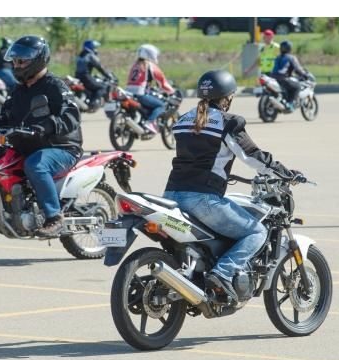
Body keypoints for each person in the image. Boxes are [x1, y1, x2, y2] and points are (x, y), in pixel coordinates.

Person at [163, 70, 302, 303]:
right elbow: (252, 156)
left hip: (171, 194)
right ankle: (222, 273)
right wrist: (284, 173)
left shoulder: (183, 119)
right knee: (257, 232)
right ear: (226, 97)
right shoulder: (228, 123)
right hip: (203, 199)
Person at [0, 35, 83, 238]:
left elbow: (71, 116)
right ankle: (14, 213)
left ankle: (54, 217)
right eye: (15, 61)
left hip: (62, 147)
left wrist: (45, 126)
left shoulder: (55, 86)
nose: (17, 65)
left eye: (22, 60)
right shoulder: (18, 91)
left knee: (35, 165)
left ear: (38, 59)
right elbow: (5, 118)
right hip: (29, 146)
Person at [125, 43, 175, 135]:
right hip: (140, 93)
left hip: (128, 93)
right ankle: (150, 122)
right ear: (151, 54)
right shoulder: (149, 65)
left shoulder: (135, 65)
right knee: (161, 105)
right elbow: (162, 82)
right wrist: (172, 92)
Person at [271, 40, 311, 111]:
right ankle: (290, 104)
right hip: (283, 78)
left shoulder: (278, 57)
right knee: (297, 87)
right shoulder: (291, 57)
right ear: (289, 48)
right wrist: (304, 75)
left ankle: (284, 100)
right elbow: (297, 69)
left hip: (273, 78)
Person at [75, 39, 115, 110]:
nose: (96, 49)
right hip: (86, 77)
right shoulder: (90, 56)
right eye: (95, 48)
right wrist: (108, 76)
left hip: (77, 77)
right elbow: (100, 67)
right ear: (91, 47)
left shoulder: (80, 55)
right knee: (102, 87)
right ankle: (93, 103)